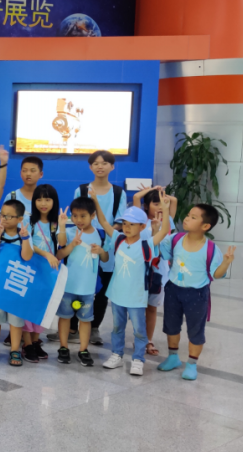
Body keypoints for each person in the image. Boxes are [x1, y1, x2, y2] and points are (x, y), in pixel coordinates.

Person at [157, 204, 235, 381]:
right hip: (173, 289)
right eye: (188, 215)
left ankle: (192, 364)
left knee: (195, 329)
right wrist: (157, 230)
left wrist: (225, 263)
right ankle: (173, 357)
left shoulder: (211, 249)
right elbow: (164, 254)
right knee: (171, 325)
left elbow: (216, 274)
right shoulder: (176, 239)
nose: (186, 218)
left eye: (193, 217)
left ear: (205, 226)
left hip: (197, 294)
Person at [96, 197, 172, 376]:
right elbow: (103, 222)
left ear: (142, 227)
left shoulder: (147, 244)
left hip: (137, 296)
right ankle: (117, 354)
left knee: (139, 330)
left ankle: (138, 359)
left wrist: (165, 210)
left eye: (132, 224)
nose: (127, 227)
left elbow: (164, 231)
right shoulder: (118, 239)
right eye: (124, 223)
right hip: (117, 294)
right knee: (117, 327)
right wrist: (95, 200)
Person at [72, 150, 127, 347]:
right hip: (82, 248)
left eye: (104, 163)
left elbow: (121, 222)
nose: (100, 166)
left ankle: (94, 328)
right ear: (90, 167)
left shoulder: (119, 193)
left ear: (112, 167)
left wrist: (105, 237)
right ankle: (72, 327)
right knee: (77, 287)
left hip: (107, 249)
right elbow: (76, 216)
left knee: (102, 291)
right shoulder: (81, 190)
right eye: (95, 163)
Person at [55, 197, 108, 367]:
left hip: (88, 288)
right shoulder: (70, 232)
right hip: (68, 285)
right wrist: (71, 243)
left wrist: (101, 251)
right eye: (75, 216)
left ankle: (83, 349)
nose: (78, 220)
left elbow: (105, 259)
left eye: (83, 216)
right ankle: (63, 347)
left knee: (86, 320)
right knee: (65, 317)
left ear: (93, 215)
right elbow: (59, 254)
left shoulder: (100, 234)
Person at [0, 201, 34, 366]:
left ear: (19, 219)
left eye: (8, 216)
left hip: (15, 284)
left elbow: (27, 256)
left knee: (16, 320)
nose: (4, 219)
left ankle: (15, 350)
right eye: (2, 215)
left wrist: (25, 238)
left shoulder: (24, 234)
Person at [133, 185, 179, 355]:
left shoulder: (168, 221)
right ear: (146, 206)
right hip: (140, 270)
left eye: (162, 203)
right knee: (138, 307)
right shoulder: (140, 221)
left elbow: (174, 201)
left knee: (152, 307)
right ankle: (139, 338)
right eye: (155, 203)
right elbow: (136, 197)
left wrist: (163, 195)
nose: (160, 207)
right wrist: (152, 189)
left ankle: (148, 340)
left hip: (159, 271)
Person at [24, 184, 61, 362]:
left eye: (47, 199)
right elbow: (28, 244)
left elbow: (61, 243)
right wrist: (46, 254)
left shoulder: (56, 224)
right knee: (26, 308)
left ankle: (35, 341)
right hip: (30, 271)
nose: (43, 203)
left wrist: (62, 225)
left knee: (41, 308)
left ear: (54, 201)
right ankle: (26, 344)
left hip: (47, 273)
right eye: (39, 199)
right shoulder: (29, 221)